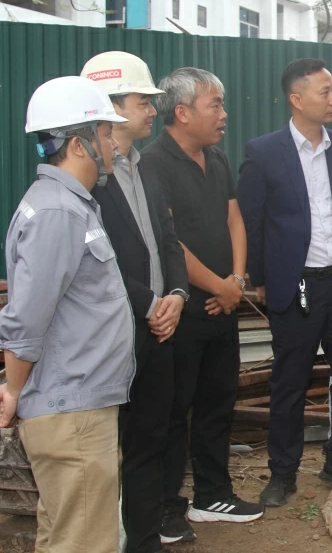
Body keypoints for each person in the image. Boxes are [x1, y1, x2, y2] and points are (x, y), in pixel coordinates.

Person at [0, 76, 135, 553]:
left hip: (75, 404)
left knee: (65, 536)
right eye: (106, 134)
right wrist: (14, 389)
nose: (114, 144)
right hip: (72, 413)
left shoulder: (68, 205)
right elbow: (27, 318)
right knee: (84, 542)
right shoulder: (59, 213)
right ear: (77, 144)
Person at [236, 59, 332, 507]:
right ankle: (283, 472)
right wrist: (260, 279)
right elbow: (253, 221)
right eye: (325, 92)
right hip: (296, 286)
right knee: (289, 382)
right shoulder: (264, 152)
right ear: (297, 99)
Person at [143, 68, 263, 540]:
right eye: (215, 105)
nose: (224, 114)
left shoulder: (216, 157)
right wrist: (219, 286)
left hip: (223, 305)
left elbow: (235, 220)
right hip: (180, 312)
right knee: (173, 412)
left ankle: (213, 494)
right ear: (182, 112)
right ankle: (166, 507)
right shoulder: (154, 163)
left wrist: (235, 282)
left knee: (218, 403)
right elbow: (167, 239)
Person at [82, 53, 190, 552]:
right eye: (143, 100)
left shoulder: (146, 168)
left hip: (159, 328)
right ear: (111, 107)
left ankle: (144, 542)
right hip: (111, 334)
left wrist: (176, 295)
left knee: (150, 441)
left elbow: (167, 239)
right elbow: (95, 261)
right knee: (101, 451)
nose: (151, 110)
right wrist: (150, 304)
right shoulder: (86, 176)